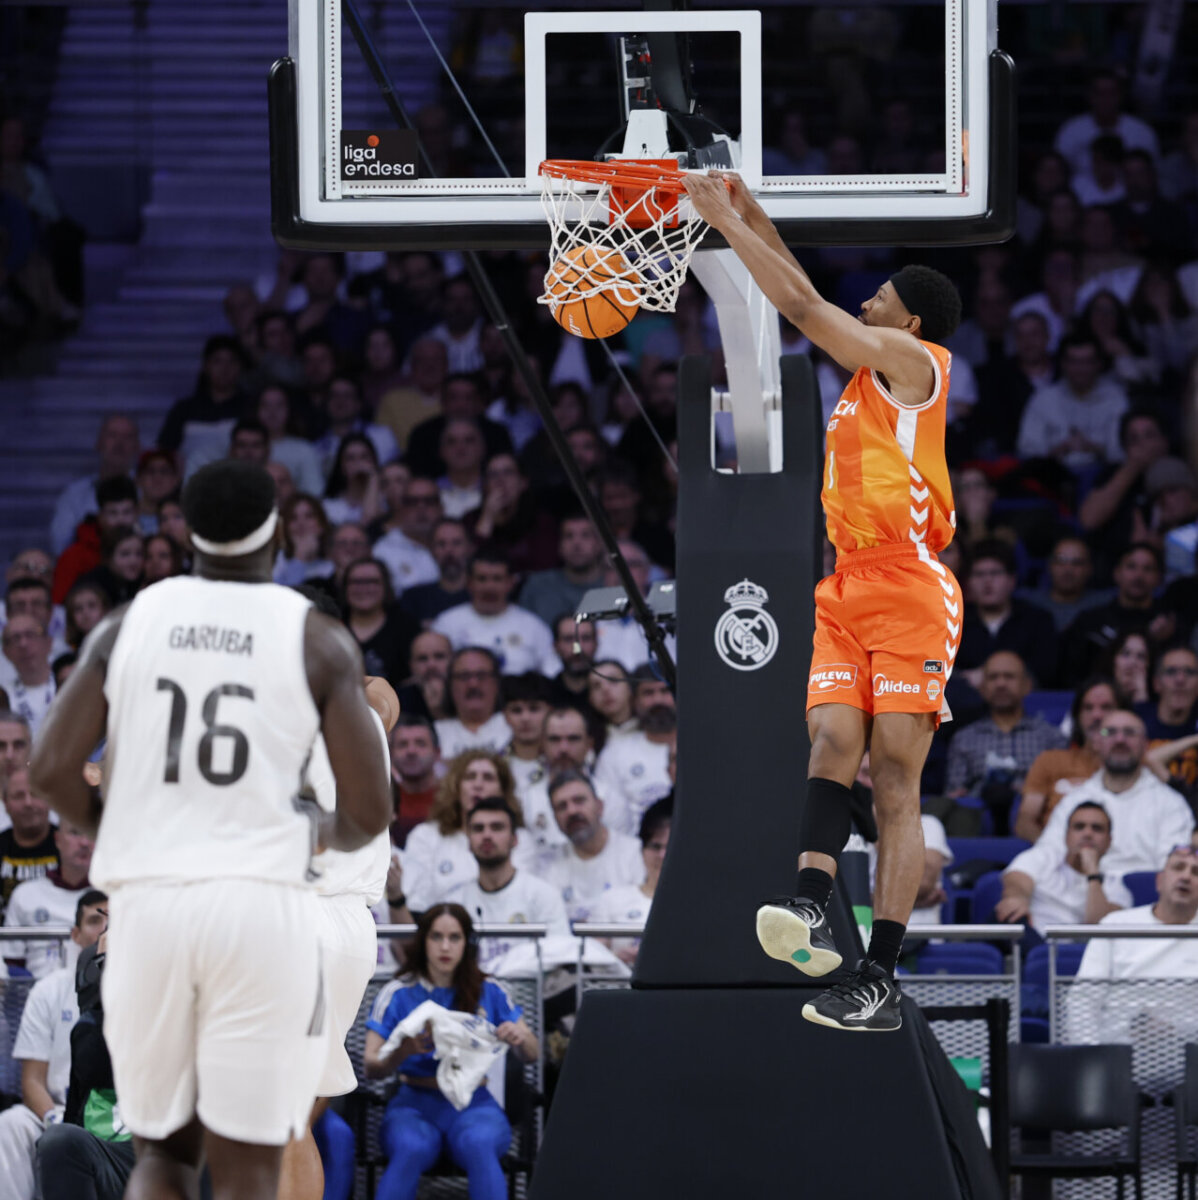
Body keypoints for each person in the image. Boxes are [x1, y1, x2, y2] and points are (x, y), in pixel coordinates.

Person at [27, 460, 392, 1200]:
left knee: (169, 1140)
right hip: (305, 917)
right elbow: (370, 812)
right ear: (280, 536)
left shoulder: (138, 624)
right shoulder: (318, 645)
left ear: (184, 532)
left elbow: (52, 771)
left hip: (184, 904)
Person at [684, 169, 966, 1031]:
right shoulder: (865, 381)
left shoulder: (915, 364)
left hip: (912, 585)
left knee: (893, 781)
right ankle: (811, 902)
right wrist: (745, 207)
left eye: (878, 297)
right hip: (846, 583)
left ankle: (879, 975)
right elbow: (801, 283)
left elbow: (803, 306)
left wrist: (720, 226)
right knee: (829, 741)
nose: (865, 302)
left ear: (909, 321)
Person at [363, 904, 538, 1200]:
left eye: (455, 937)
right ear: (423, 941)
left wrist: (519, 1038)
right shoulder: (397, 992)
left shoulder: (490, 989)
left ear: (467, 943)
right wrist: (402, 1052)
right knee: (411, 1146)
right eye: (436, 937)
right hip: (414, 1102)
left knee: (478, 1143)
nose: (445, 947)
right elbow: (371, 1066)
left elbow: (532, 1053)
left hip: (475, 1103)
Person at [0, 891, 108, 1200]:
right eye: (93, 920)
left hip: (120, 1113)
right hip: (59, 1110)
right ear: (75, 935)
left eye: (111, 921)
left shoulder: (145, 984)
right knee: (10, 1125)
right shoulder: (48, 991)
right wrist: (53, 1118)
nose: (103, 930)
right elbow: (32, 1079)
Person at [1020, 710, 1194, 878]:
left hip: (1144, 900)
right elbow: (1046, 855)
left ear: (1145, 744)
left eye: (1130, 733)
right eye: (1109, 732)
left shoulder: (1171, 803)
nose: (1120, 739)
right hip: (1079, 899)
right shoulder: (1074, 801)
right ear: (1096, 742)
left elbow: (1172, 871)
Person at [1066, 845, 1198, 1052]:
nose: (1186, 877)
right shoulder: (1116, 925)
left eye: (1195, 872)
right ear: (1159, 881)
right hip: (1116, 1057)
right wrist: (1091, 1058)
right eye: (1178, 867)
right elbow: (1083, 999)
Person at [944, 651, 1067, 832]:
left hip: (1038, 826)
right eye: (993, 678)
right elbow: (955, 796)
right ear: (982, 688)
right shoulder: (964, 738)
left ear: (1027, 685)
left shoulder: (1051, 737)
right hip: (977, 829)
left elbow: (1062, 792)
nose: (1001, 683)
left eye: (1009, 677)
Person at [447, 796, 571, 971]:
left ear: (515, 839)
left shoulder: (543, 895)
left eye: (497, 827)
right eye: (478, 829)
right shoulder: (454, 903)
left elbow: (560, 956)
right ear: (468, 841)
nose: (487, 835)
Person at [400, 750, 522, 913]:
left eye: (488, 778)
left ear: (502, 790)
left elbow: (522, 890)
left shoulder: (519, 838)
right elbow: (416, 902)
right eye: (470, 777)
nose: (478, 785)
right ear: (456, 788)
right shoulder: (425, 836)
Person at [998, 801, 1131, 931]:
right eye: (1079, 827)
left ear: (1109, 841)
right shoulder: (1042, 857)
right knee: (1008, 915)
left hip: (1079, 950)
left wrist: (1093, 875)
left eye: (1097, 829)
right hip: (1033, 941)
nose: (1088, 834)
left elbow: (1098, 929)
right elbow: (1016, 882)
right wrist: (1018, 898)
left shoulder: (1116, 885)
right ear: (1066, 835)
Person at [1016, 678, 1119, 841]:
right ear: (1077, 717)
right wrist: (1055, 852)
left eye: (1106, 707)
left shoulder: (1134, 766)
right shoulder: (1050, 761)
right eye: (1088, 708)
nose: (1097, 715)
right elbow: (1025, 822)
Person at [1060, 542, 1172, 685]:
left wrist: (1157, 642)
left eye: (1148, 569)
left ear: (1158, 578)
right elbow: (1070, 675)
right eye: (1131, 567)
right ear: (1117, 573)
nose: (1139, 575)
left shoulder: (1168, 626)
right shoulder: (1090, 621)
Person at [539, 770, 645, 921]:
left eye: (579, 801)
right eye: (562, 806)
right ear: (555, 818)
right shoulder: (551, 871)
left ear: (600, 806)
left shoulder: (635, 854)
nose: (572, 811)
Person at [432, 551, 556, 676]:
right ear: (469, 583)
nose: (489, 587)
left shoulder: (534, 627)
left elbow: (552, 673)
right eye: (482, 579)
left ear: (511, 583)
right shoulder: (446, 624)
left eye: (497, 579)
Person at [955, 540, 1058, 689]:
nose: (987, 581)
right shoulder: (953, 621)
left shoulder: (1038, 620)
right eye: (979, 574)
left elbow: (1045, 672)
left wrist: (990, 676)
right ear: (968, 582)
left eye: (995, 573)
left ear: (1012, 580)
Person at [3, 818, 93, 979]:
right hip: (35, 995)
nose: (85, 842)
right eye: (75, 833)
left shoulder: (114, 896)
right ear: (57, 839)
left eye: (91, 834)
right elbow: (11, 963)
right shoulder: (26, 894)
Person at [592, 667, 676, 837]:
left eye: (665, 690)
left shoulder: (701, 746)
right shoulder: (614, 755)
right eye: (648, 693)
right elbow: (610, 821)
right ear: (634, 701)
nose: (657, 700)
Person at [592, 797, 672, 965]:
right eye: (655, 846)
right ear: (642, 849)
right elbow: (592, 962)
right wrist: (617, 961)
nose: (662, 855)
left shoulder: (697, 906)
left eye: (670, 846)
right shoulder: (611, 901)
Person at [49, 415, 140, 555]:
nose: (119, 443)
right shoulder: (74, 495)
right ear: (99, 443)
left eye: (127, 437)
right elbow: (60, 547)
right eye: (112, 435)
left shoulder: (148, 491)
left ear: (137, 446)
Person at [517, 516, 607, 628]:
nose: (576, 543)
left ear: (599, 544)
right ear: (559, 545)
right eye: (569, 536)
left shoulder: (611, 585)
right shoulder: (537, 585)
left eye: (585, 535)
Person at [1136, 646, 1198, 799]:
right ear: (1157, 683)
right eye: (1171, 672)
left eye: (1189, 672)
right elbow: (1103, 733)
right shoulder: (1135, 718)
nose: (1180, 680)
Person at [0, 762, 57, 920]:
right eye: (19, 796)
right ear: (5, 802)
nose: (28, 803)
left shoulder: (71, 846)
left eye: (35, 794)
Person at [434, 647, 512, 759]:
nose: (473, 684)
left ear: (496, 683)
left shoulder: (516, 727)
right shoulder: (435, 733)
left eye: (481, 675)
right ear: (450, 685)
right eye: (464, 676)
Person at [371, 475, 441, 597]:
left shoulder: (456, 543)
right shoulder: (383, 551)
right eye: (412, 502)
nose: (421, 508)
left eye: (429, 501)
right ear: (401, 509)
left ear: (441, 508)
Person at [399, 516, 473, 626]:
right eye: (441, 544)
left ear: (469, 548)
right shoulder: (414, 598)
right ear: (431, 550)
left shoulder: (483, 596)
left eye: (456, 543)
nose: (449, 550)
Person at [389, 715, 442, 847]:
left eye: (420, 743)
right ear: (390, 753)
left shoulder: (455, 798)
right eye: (403, 744)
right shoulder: (381, 801)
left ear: (437, 753)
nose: (411, 751)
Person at [500, 672, 554, 796]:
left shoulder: (563, 761)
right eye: (516, 710)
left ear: (550, 712)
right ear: (505, 716)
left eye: (534, 709)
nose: (525, 718)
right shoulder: (495, 765)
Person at [0, 615, 56, 737]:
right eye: (15, 638)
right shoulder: (3, 696)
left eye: (30, 635)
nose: (23, 644)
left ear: (49, 642)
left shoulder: (68, 684)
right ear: (5, 652)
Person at [395, 630, 453, 723]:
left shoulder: (465, 693)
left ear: (453, 660)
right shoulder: (397, 701)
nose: (431, 665)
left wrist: (439, 713)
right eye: (422, 659)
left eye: (439, 656)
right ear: (411, 666)